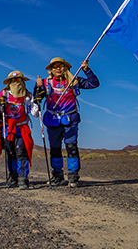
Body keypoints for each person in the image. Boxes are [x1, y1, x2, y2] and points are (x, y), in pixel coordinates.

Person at [34, 57, 99, 188]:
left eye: (61, 66)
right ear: (51, 70)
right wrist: (38, 87)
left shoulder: (73, 80)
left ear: (65, 68)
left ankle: (73, 176)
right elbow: (37, 98)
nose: (58, 68)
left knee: (71, 148)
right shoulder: (45, 82)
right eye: (55, 66)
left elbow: (94, 84)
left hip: (70, 119)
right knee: (55, 149)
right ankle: (57, 175)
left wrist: (87, 70)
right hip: (53, 120)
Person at [0, 71, 39, 190]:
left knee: (21, 152)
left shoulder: (28, 95)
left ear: (23, 81)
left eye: (19, 80)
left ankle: (23, 178)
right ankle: (13, 176)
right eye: (13, 80)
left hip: (21, 128)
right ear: (9, 83)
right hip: (8, 128)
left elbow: (35, 113)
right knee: (11, 153)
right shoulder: (3, 94)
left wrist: (36, 102)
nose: (16, 82)